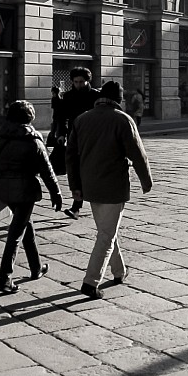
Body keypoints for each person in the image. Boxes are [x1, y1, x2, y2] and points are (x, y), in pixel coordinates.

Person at [66, 80, 150, 299]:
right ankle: (91, 281)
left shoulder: (81, 119)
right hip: (113, 185)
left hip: (89, 185)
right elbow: (137, 154)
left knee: (107, 231)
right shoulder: (122, 119)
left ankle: (119, 271)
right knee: (106, 235)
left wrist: (75, 185)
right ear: (119, 98)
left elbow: (70, 156)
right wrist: (146, 181)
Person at [0, 100, 63, 294]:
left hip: (6, 191)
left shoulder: (2, 139)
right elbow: (47, 171)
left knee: (25, 226)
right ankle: (5, 278)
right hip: (26, 191)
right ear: (30, 118)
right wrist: (56, 193)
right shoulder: (34, 140)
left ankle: (36, 268)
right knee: (16, 233)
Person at [51, 69, 96, 218]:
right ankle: (76, 207)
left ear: (88, 81)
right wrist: (61, 135)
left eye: (81, 82)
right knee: (75, 171)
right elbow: (62, 117)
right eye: (75, 82)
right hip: (73, 137)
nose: (78, 85)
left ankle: (93, 201)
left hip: (91, 138)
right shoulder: (68, 96)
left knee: (89, 170)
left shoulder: (95, 96)